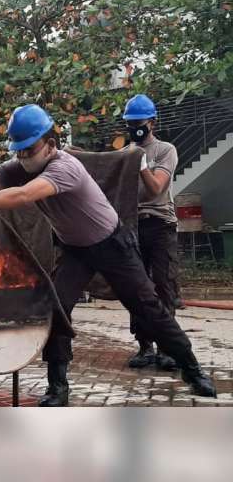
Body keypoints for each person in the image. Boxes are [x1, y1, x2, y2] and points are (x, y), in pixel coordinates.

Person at [0, 103, 216, 405]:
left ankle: (191, 369)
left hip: (113, 246)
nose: (23, 157)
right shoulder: (19, 164)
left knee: (148, 308)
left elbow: (21, 195)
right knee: (57, 311)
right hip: (76, 250)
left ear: (50, 143)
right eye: (18, 150)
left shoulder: (66, 167)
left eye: (29, 150)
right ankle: (58, 386)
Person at [122, 94, 183, 370]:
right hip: (134, 226)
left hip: (160, 226)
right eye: (130, 122)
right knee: (137, 288)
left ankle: (168, 348)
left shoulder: (165, 150)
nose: (135, 127)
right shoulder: (125, 153)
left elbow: (156, 188)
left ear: (152, 123)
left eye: (139, 122)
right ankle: (145, 346)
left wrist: (142, 162)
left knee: (163, 286)